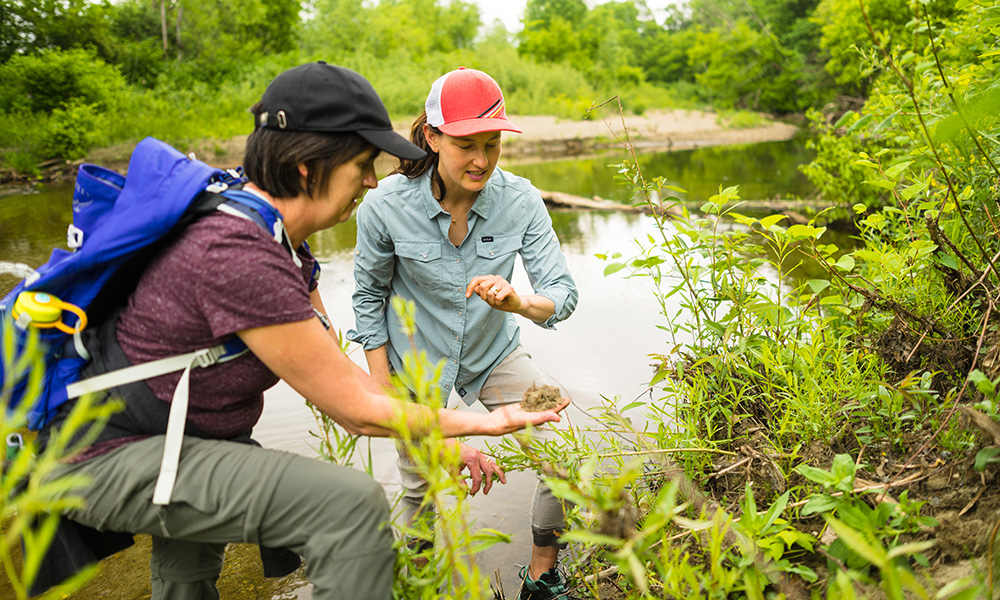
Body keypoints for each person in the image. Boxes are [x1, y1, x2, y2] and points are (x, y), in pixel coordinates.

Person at [37, 62, 567, 600]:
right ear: (309, 166)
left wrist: (439, 430)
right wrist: (482, 425)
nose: (369, 180)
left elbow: (338, 373)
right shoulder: (239, 254)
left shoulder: (289, 249)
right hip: (116, 448)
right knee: (348, 506)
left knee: (187, 571)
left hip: (188, 436)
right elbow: (355, 410)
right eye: (361, 163)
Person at [350, 67, 579, 600]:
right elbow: (367, 302)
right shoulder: (385, 204)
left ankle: (542, 576)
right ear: (432, 137)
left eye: (492, 144)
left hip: (494, 353)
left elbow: (562, 295)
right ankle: (418, 582)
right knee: (419, 487)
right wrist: (388, 400)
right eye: (465, 145)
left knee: (563, 454)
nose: (480, 160)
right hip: (414, 364)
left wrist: (518, 300)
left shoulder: (520, 199)